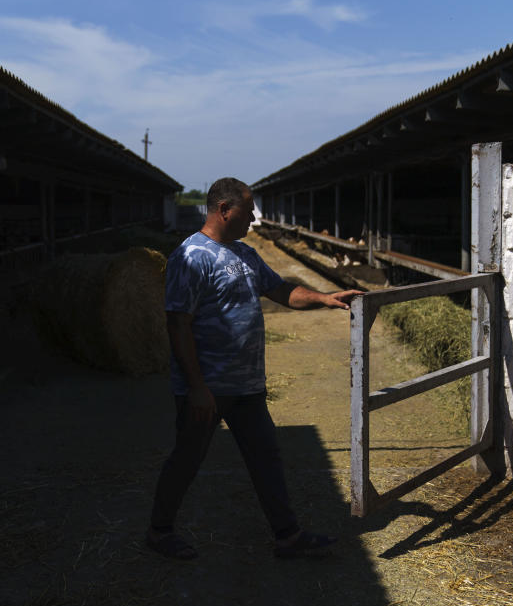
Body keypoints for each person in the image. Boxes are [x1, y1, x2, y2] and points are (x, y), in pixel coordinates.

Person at [147, 177, 364, 560]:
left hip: (247, 386)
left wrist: (325, 298)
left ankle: (287, 535)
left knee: (266, 457)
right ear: (224, 210)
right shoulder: (191, 256)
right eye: (248, 211)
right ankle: (160, 532)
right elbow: (177, 324)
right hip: (208, 387)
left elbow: (281, 290)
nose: (252, 218)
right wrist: (197, 387)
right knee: (187, 459)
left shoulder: (244, 253)